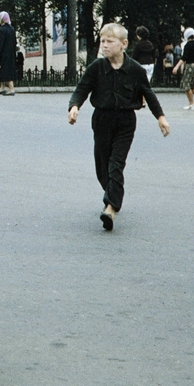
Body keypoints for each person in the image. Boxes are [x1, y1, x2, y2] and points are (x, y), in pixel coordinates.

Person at [67, 23, 170, 231]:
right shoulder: (97, 67)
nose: (104, 45)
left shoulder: (135, 70)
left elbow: (148, 94)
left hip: (125, 122)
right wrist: (74, 107)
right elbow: (82, 88)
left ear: (123, 44)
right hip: (101, 120)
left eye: (109, 42)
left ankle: (110, 208)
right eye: (102, 41)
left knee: (116, 163)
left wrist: (161, 117)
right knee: (102, 166)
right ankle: (112, 193)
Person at [171, 28, 194, 110]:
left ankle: (191, 103)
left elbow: (184, 57)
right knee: (193, 86)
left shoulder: (187, 45)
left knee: (186, 84)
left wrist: (176, 66)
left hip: (190, 66)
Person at [0, 12, 17, 96]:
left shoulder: (2, 29)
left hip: (3, 54)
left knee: (5, 70)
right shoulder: (12, 29)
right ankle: (2, 87)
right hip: (11, 54)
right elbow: (14, 42)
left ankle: (11, 89)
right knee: (4, 70)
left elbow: (0, 44)